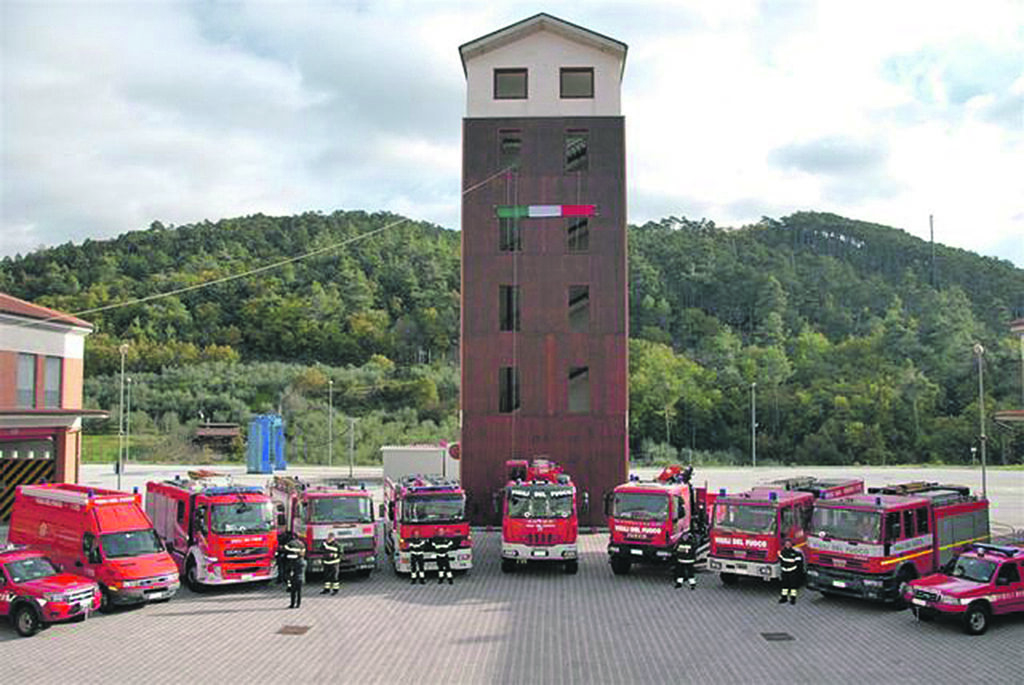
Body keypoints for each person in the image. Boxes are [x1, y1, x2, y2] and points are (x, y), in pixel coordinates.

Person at [778, 538, 804, 605]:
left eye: (789, 544)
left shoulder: (795, 553)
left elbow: (799, 564)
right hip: (784, 571)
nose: (787, 545)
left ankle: (793, 599)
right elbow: (781, 560)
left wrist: (798, 573)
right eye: (786, 544)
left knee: (793, 586)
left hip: (793, 572)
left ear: (791, 545)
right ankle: (784, 598)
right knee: (784, 586)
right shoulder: (783, 552)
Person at [287, 544, 307, 609]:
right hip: (301, 578)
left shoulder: (296, 562)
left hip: (295, 578)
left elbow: (292, 568)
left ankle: (292, 604)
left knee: (293, 592)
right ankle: (298, 604)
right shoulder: (304, 562)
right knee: (299, 592)